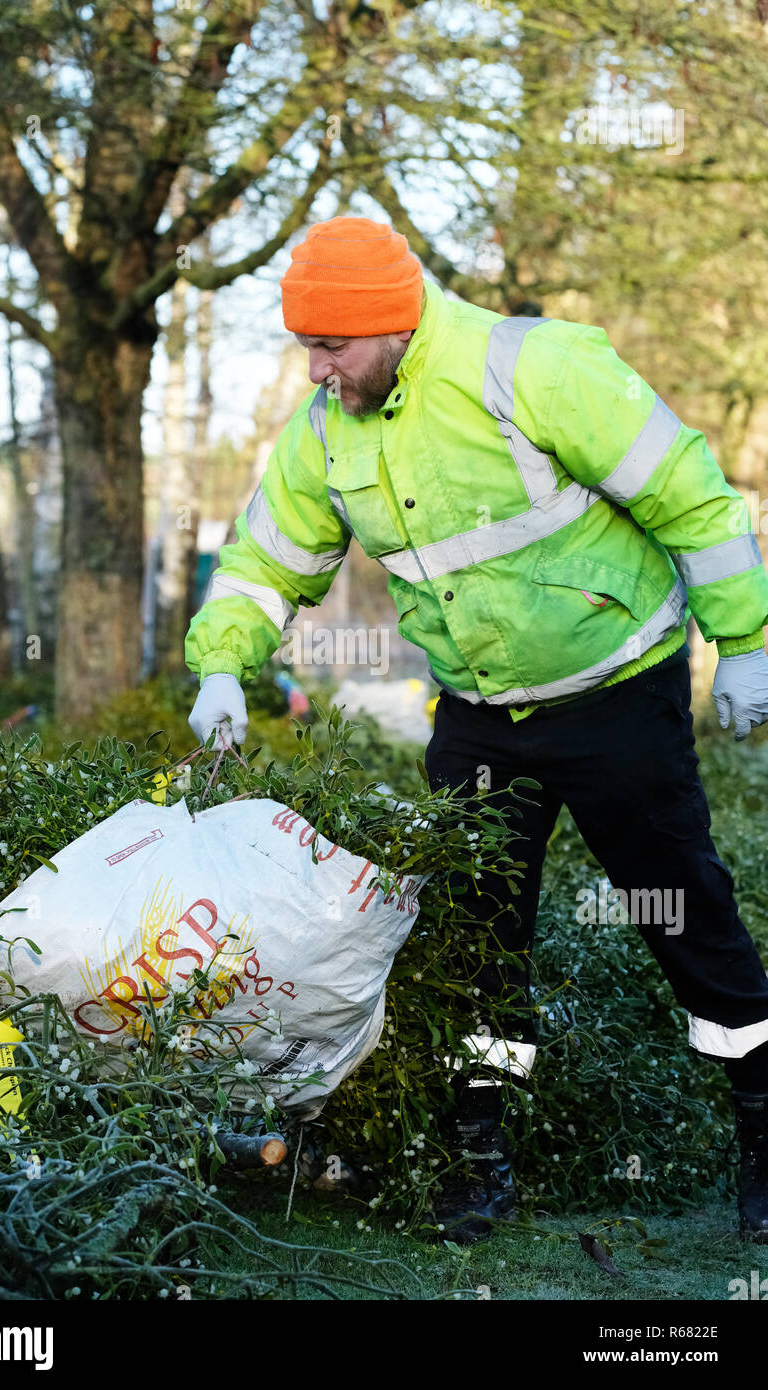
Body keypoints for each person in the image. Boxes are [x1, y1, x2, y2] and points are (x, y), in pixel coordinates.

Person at [186, 216, 768, 1243]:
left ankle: (763, 1130)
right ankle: (478, 1158)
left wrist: (747, 640)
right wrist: (223, 668)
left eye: (332, 346)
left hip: (615, 697)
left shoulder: (530, 368)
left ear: (391, 322)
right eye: (304, 346)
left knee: (676, 915)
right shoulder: (324, 429)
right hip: (478, 722)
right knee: (472, 945)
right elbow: (266, 563)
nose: (316, 369)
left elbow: (687, 491)